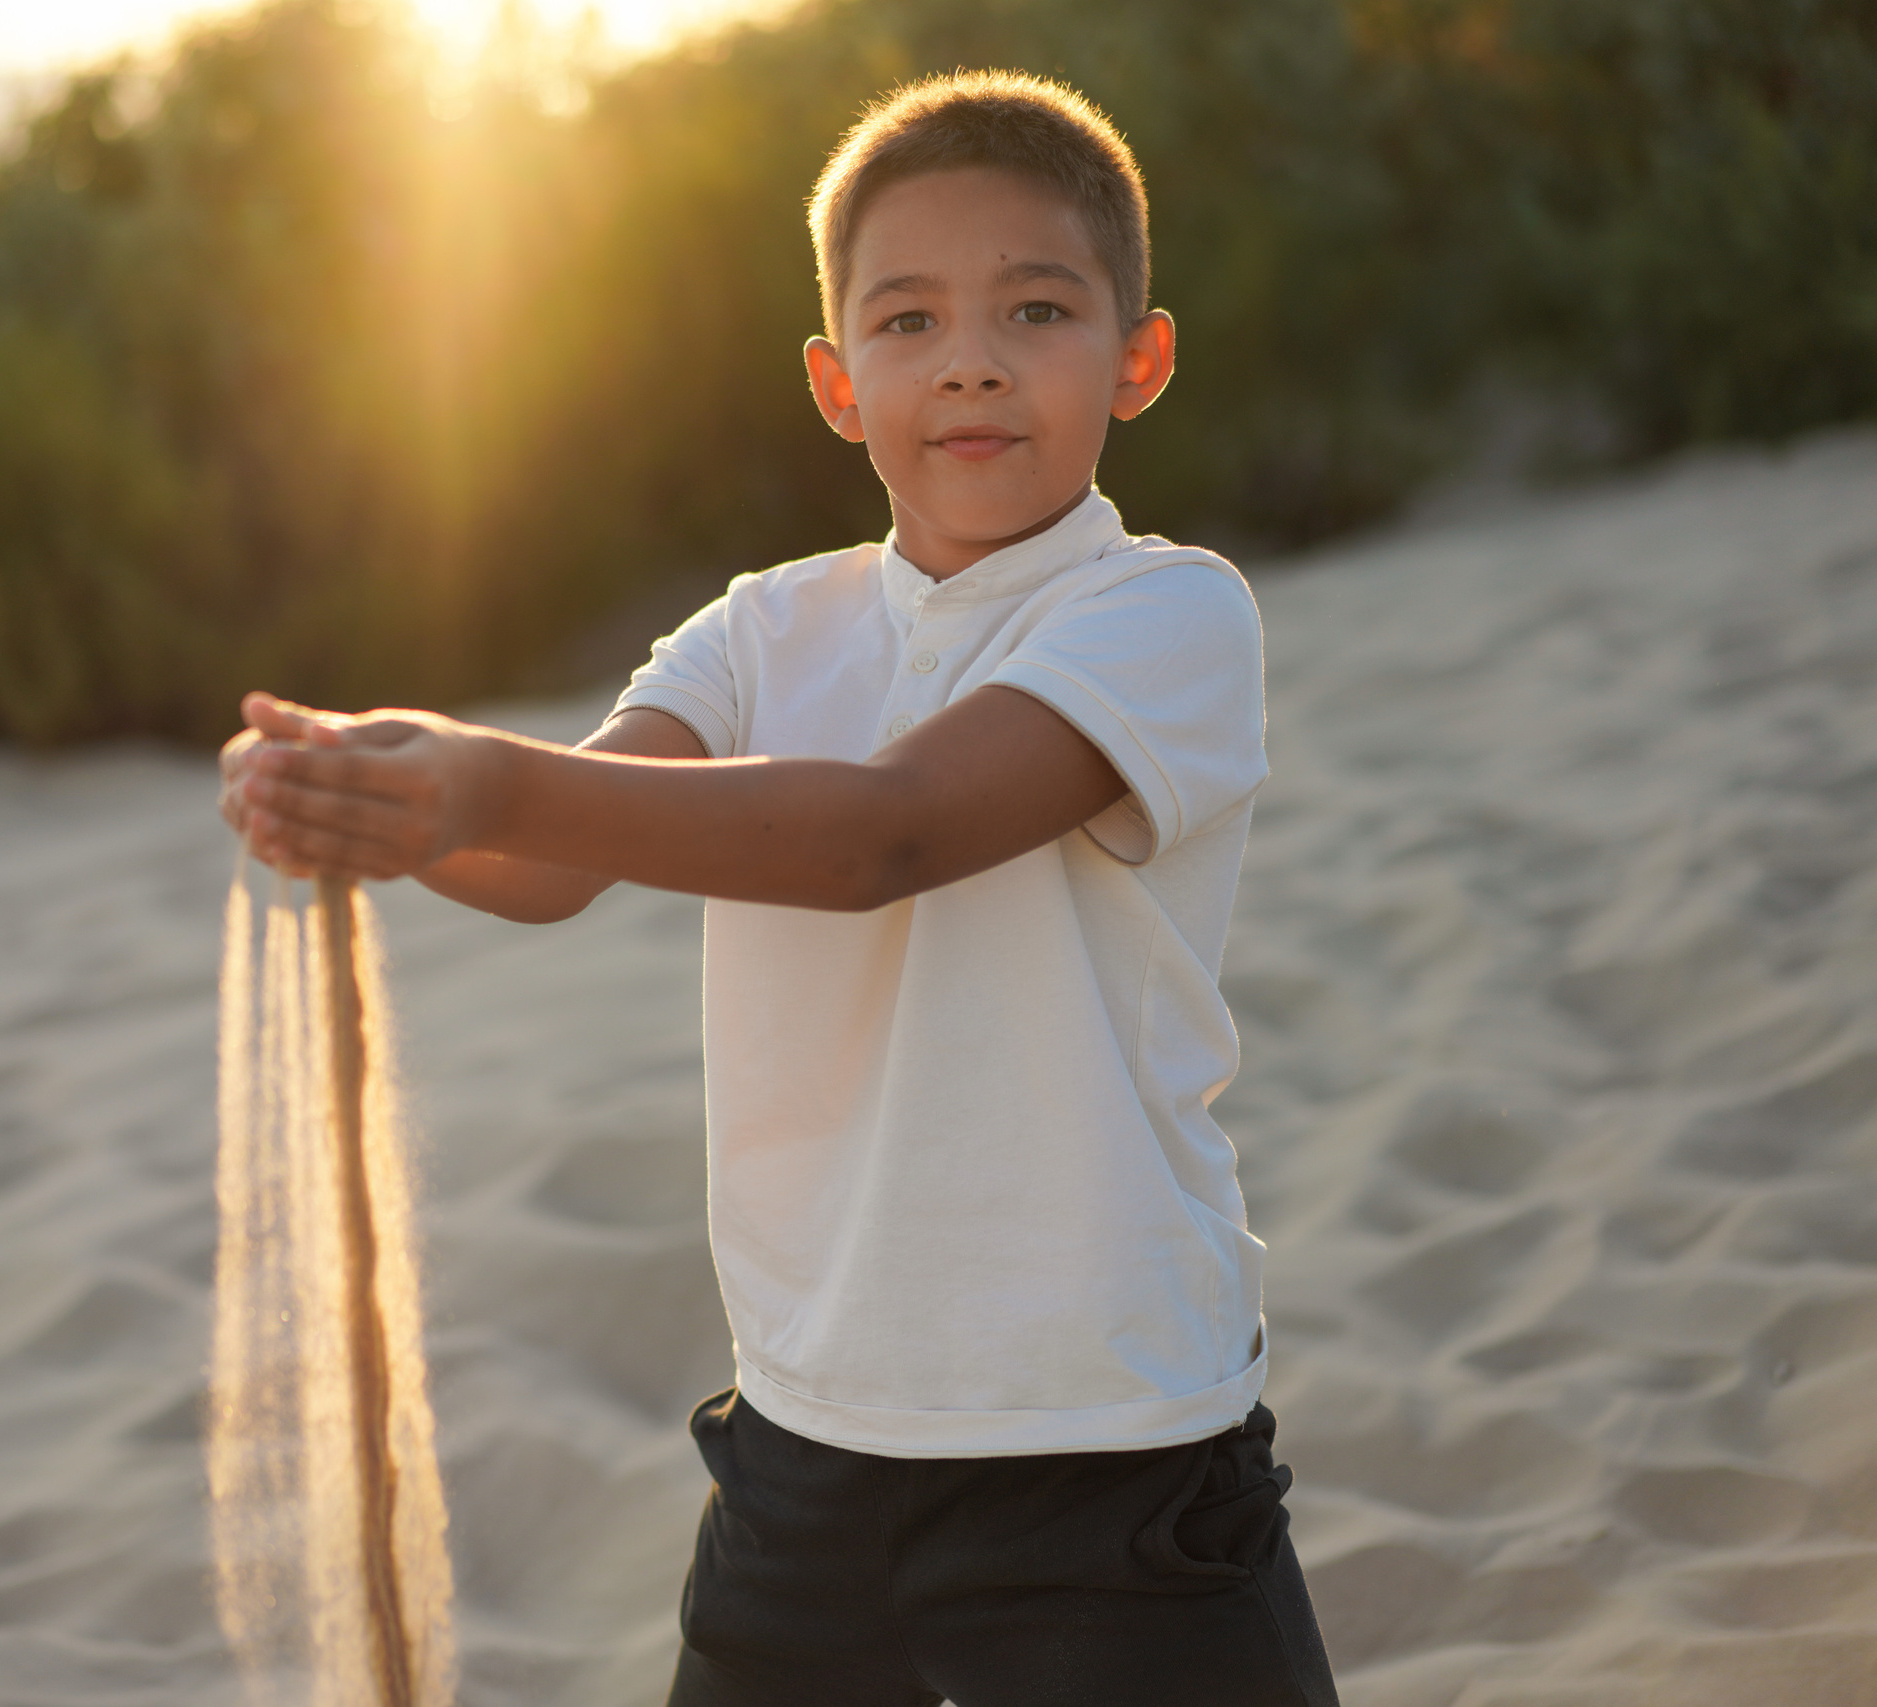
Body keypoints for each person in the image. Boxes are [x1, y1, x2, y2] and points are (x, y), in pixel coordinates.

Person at [219, 68, 1339, 1707]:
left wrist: (489, 771)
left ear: (1139, 357)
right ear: (834, 383)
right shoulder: (765, 628)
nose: (968, 357)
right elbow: (549, 858)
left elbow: (877, 836)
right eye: (906, 322)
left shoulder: (1166, 616)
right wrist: (375, 801)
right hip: (808, 1455)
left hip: (1106, 1452)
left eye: (1037, 308)